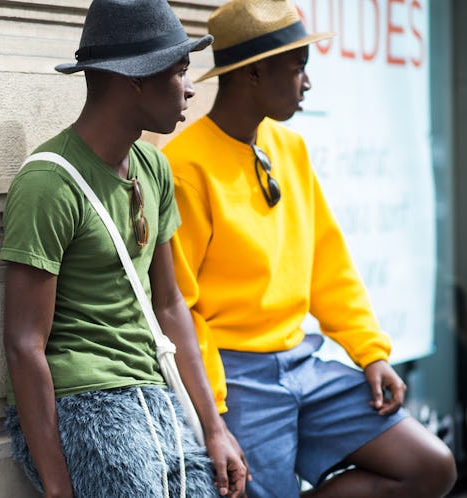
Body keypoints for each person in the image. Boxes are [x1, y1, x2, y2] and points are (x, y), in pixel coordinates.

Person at [162, 0, 458, 496]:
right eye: (297, 68)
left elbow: (327, 261)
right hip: (237, 378)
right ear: (254, 74)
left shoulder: (290, 148)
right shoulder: (183, 168)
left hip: (305, 360)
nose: (308, 82)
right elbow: (179, 307)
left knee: (431, 466)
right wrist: (213, 415)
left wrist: (370, 353)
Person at [0, 1, 249, 497]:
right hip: (85, 407)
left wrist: (215, 428)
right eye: (180, 71)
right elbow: (24, 344)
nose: (192, 86)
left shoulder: (153, 168)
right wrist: (57, 487)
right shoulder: (48, 182)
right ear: (136, 79)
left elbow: (171, 303)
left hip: (155, 393)